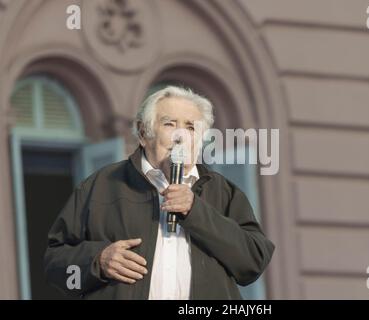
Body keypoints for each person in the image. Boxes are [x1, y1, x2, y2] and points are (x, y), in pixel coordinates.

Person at [44, 86, 275, 299]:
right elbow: (56, 269)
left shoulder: (224, 192)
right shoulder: (101, 186)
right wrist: (97, 261)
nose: (181, 136)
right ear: (144, 134)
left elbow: (253, 264)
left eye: (191, 127)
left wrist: (197, 212)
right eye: (170, 124)